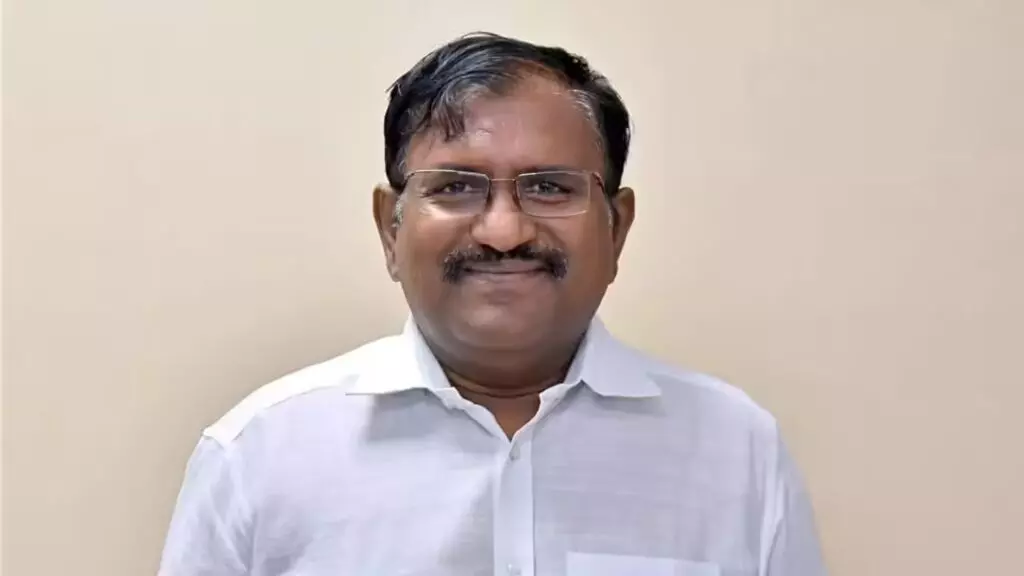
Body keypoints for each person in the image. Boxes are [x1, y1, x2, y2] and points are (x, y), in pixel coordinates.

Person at [159, 32, 826, 576]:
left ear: (616, 228)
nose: (504, 231)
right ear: (390, 227)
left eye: (549, 187)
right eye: (455, 186)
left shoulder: (737, 452)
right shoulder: (258, 457)